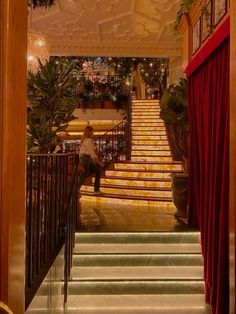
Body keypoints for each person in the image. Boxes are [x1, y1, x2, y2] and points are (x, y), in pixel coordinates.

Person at [78, 125, 104, 195]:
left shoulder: (84, 140)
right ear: (89, 132)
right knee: (95, 171)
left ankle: (76, 187)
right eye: (93, 132)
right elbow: (93, 154)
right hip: (86, 158)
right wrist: (99, 163)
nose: (93, 133)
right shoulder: (89, 140)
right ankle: (96, 190)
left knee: (86, 173)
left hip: (84, 158)